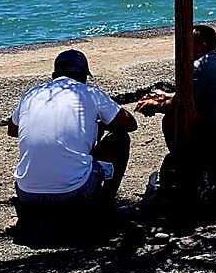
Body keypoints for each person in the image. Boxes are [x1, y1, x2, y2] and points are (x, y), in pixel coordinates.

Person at [8, 49, 138, 213]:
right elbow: (130, 124)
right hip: (73, 193)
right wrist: (101, 125)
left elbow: (13, 130)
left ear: (54, 75)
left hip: (26, 193)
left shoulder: (31, 93)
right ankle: (105, 208)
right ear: (84, 76)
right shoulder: (90, 93)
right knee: (121, 139)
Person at [139, 25, 216, 197]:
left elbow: (180, 104)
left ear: (202, 45)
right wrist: (165, 95)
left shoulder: (200, 66)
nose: (184, 48)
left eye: (189, 44)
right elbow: (188, 95)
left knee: (173, 119)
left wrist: (154, 105)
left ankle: (185, 167)